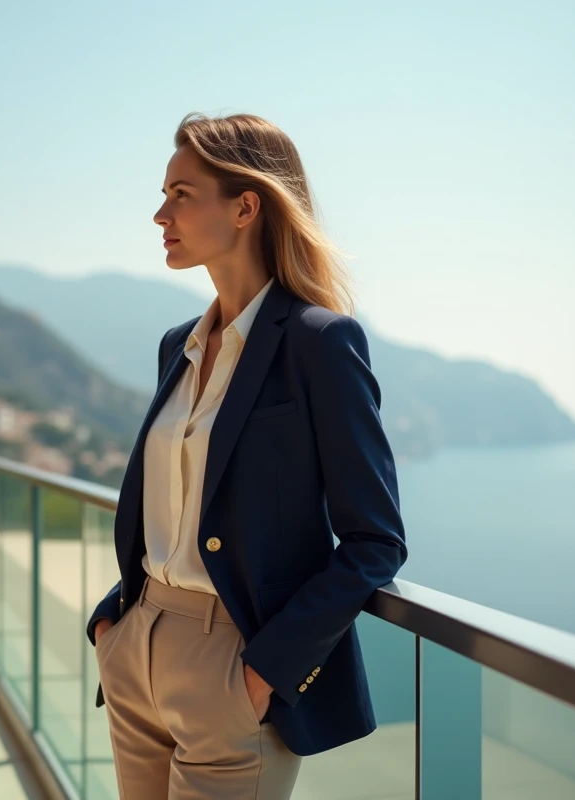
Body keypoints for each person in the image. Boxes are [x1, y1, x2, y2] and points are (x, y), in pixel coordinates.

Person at [86, 112, 408, 800]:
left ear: (245, 207)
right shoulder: (179, 344)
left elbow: (374, 541)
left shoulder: (321, 343)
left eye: (180, 194)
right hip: (137, 649)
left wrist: (264, 673)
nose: (158, 213)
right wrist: (115, 623)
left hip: (232, 666)